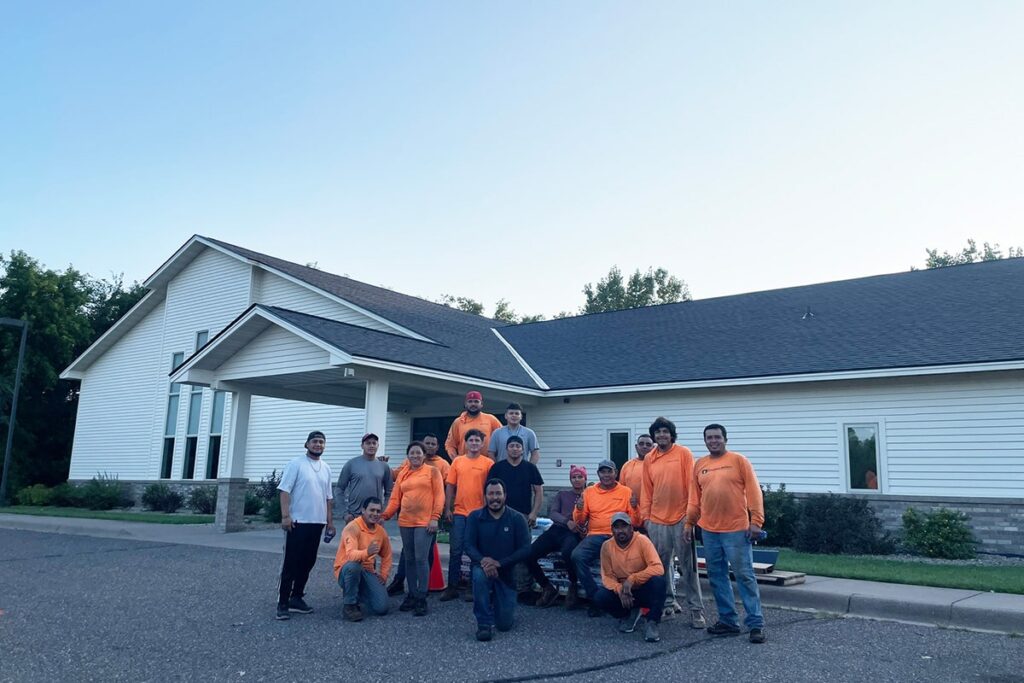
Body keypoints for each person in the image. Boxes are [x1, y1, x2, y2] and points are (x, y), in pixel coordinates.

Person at [685, 423, 767, 644]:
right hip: (709, 531)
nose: (713, 441)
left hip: (737, 530)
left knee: (745, 576)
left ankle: (755, 624)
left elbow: (753, 491)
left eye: (717, 437)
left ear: (725, 439)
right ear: (705, 441)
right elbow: (694, 498)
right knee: (717, 577)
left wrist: (756, 521)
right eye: (709, 438)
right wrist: (689, 523)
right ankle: (728, 621)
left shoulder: (739, 461)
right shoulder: (699, 465)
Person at [639, 416, 707, 627]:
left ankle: (696, 610)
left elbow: (692, 486)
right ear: (654, 435)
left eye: (665, 431)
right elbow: (646, 490)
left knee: (689, 567)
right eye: (658, 432)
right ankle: (668, 603)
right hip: (657, 520)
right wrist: (647, 519)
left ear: (671, 434)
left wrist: (691, 518)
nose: (661, 435)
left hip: (681, 518)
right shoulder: (650, 458)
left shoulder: (683, 453)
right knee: (660, 566)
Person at [275, 430, 335, 620]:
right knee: (291, 563)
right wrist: (286, 516)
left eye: (321, 442)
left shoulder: (326, 468)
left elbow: (328, 498)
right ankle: (282, 603)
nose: (318, 445)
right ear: (306, 444)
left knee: (308, 562)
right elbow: (284, 491)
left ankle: (297, 597)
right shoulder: (296, 464)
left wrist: (330, 523)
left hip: (317, 523)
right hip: (298, 522)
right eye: (315, 441)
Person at [381, 441, 445, 616]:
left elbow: (440, 496)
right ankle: (412, 593)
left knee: (421, 559)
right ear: (407, 456)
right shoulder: (403, 474)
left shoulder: (432, 472)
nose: (415, 456)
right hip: (406, 521)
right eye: (412, 453)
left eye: (418, 453)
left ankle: (421, 596)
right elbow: (395, 499)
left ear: (424, 455)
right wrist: (385, 515)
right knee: (409, 559)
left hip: (425, 522)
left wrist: (435, 518)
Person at [465, 479, 532, 641]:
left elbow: (525, 549)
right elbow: (468, 545)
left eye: (498, 493)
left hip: (507, 572)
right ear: (485, 496)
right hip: (482, 568)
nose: (495, 498)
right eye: (491, 494)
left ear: (505, 496)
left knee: (504, 625)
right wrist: (483, 561)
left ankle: (498, 601)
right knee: (479, 576)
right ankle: (483, 624)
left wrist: (500, 563)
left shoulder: (517, 518)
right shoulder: (475, 517)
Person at [571, 459, 633, 617]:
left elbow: (635, 521)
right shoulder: (589, 491)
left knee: (627, 563)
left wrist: (635, 507)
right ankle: (596, 598)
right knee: (577, 556)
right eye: (603, 471)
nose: (606, 475)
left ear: (616, 473)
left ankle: (627, 599)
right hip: (595, 535)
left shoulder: (626, 492)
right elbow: (580, 521)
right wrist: (578, 510)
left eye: (609, 471)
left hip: (618, 536)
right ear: (598, 474)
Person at [593, 512, 666, 643]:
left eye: (624, 526)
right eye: (617, 527)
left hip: (643, 588)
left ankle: (652, 622)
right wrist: (619, 589)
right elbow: (607, 577)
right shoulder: (607, 547)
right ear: (612, 530)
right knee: (600, 597)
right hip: (624, 593)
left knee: (659, 582)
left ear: (631, 528)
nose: (621, 530)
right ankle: (627, 615)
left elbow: (658, 568)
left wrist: (632, 579)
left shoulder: (642, 541)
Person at [440, 430, 495, 601]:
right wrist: (447, 508)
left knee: (475, 551)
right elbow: (450, 486)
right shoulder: (457, 461)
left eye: (477, 440)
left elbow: (491, 488)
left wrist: (489, 510)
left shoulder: (488, 463)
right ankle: (452, 587)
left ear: (482, 443)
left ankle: (473, 587)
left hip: (479, 513)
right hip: (459, 513)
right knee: (456, 550)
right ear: (465, 443)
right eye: (471, 440)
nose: (474, 443)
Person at [525, 465, 588, 609]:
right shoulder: (562, 494)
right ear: (570, 479)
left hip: (573, 533)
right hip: (557, 529)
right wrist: (567, 521)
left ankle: (573, 586)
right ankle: (547, 587)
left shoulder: (589, 495)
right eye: (574, 477)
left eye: (580, 477)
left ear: (585, 479)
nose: (577, 480)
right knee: (529, 554)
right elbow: (553, 513)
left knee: (568, 553)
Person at [334, 496, 392, 622]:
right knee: (354, 566)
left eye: (378, 511)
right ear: (363, 510)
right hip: (347, 570)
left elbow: (387, 555)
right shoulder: (352, 528)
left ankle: (359, 593)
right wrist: (367, 552)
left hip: (367, 571)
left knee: (382, 608)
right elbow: (350, 556)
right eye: (372, 510)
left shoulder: (381, 532)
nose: (375, 514)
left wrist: (383, 574)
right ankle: (349, 605)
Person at [336, 433, 394, 523]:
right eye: (368, 443)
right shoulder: (351, 464)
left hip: (375, 517)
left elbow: (389, 492)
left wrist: (384, 514)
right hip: (354, 516)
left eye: (374, 443)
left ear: (378, 446)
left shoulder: (384, 466)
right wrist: (344, 513)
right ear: (362, 446)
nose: (371, 446)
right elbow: (339, 489)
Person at [486, 436, 544, 525]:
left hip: (524, 515)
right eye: (511, 446)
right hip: (499, 514)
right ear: (506, 449)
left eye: (518, 446)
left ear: (523, 450)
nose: (514, 449)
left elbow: (539, 492)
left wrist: (534, 513)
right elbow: (487, 491)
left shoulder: (530, 468)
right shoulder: (497, 467)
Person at [444, 391, 502, 459]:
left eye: (476, 401)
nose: (473, 404)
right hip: (464, 464)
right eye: (470, 401)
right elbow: (450, 445)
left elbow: (503, 439)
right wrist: (455, 460)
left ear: (481, 404)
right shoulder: (458, 422)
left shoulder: (491, 419)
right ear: (465, 404)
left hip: (487, 464)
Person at [619, 434, 653, 511]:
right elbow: (621, 489)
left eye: (648, 444)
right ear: (636, 446)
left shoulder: (658, 465)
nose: (644, 446)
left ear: (653, 448)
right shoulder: (627, 465)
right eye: (641, 444)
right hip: (631, 510)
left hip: (652, 512)